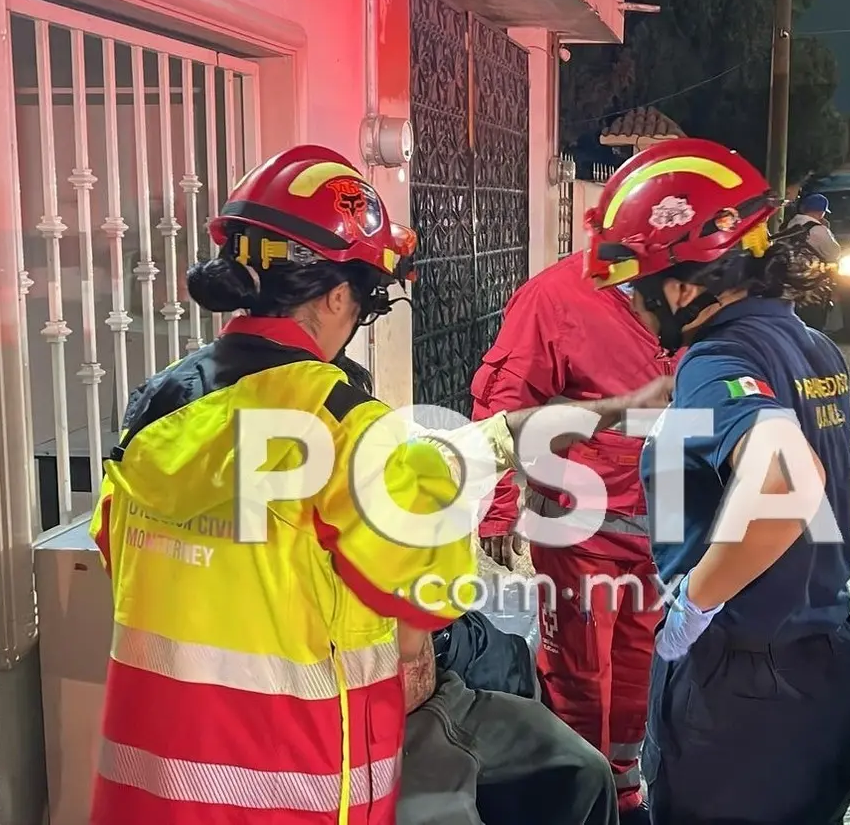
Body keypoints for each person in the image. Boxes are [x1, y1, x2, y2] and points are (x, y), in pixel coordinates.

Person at [87, 145, 670, 825]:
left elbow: (117, 548)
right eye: (364, 303)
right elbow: (429, 598)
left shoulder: (158, 407)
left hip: (144, 793)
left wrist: (553, 426)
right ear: (338, 294)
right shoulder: (342, 424)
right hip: (286, 791)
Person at [584, 138, 850, 825]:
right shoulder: (810, 344)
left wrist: (694, 602)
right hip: (827, 666)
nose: (634, 302)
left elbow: (784, 482)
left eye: (637, 284)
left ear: (685, 285)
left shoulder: (716, 358)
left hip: (745, 695)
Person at [329, 356, 618, 825]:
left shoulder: (391, 487)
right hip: (372, 730)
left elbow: (492, 440)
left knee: (583, 767)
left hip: (441, 691)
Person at [470, 253, 674, 825]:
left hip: (668, 536)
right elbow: (505, 403)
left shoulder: (699, 293)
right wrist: (499, 508)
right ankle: (576, 799)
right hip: (581, 529)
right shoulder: (557, 298)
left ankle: (624, 791)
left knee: (643, 667)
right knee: (579, 676)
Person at [776, 192, 842, 330]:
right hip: (811, 287)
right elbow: (834, 253)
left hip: (786, 285)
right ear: (821, 212)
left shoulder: (789, 225)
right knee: (812, 325)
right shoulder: (819, 229)